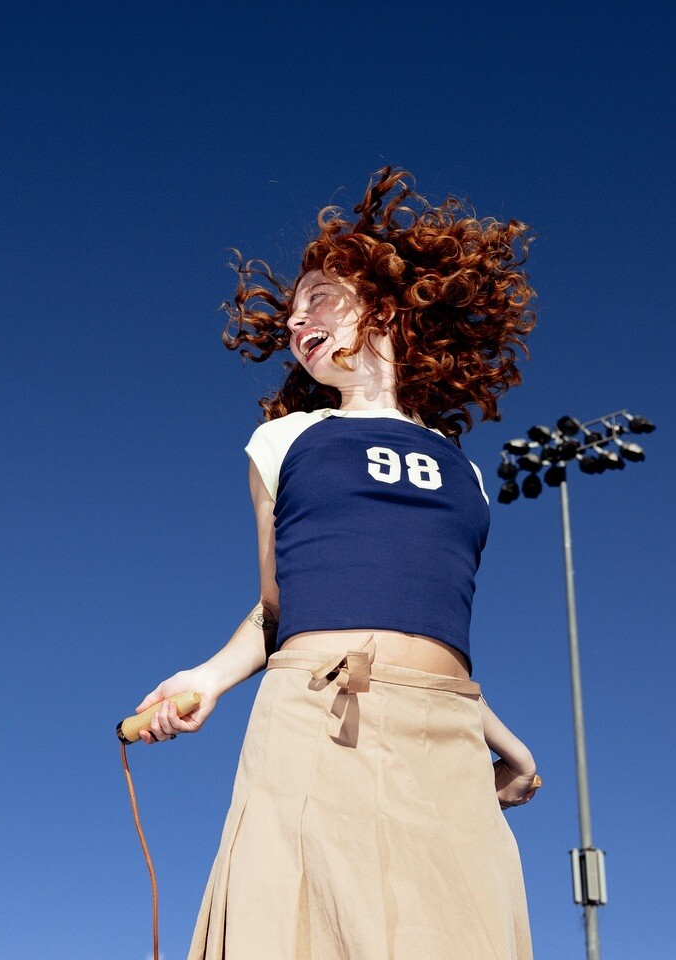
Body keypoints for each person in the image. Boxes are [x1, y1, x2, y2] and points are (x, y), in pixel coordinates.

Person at [135, 167, 541, 960]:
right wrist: (208, 678)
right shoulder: (284, 441)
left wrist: (508, 744)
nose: (298, 319)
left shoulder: (466, 472)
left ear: (383, 304)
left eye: (319, 297)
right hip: (313, 716)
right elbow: (278, 610)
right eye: (292, 311)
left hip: (447, 738)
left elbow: (426, 628)